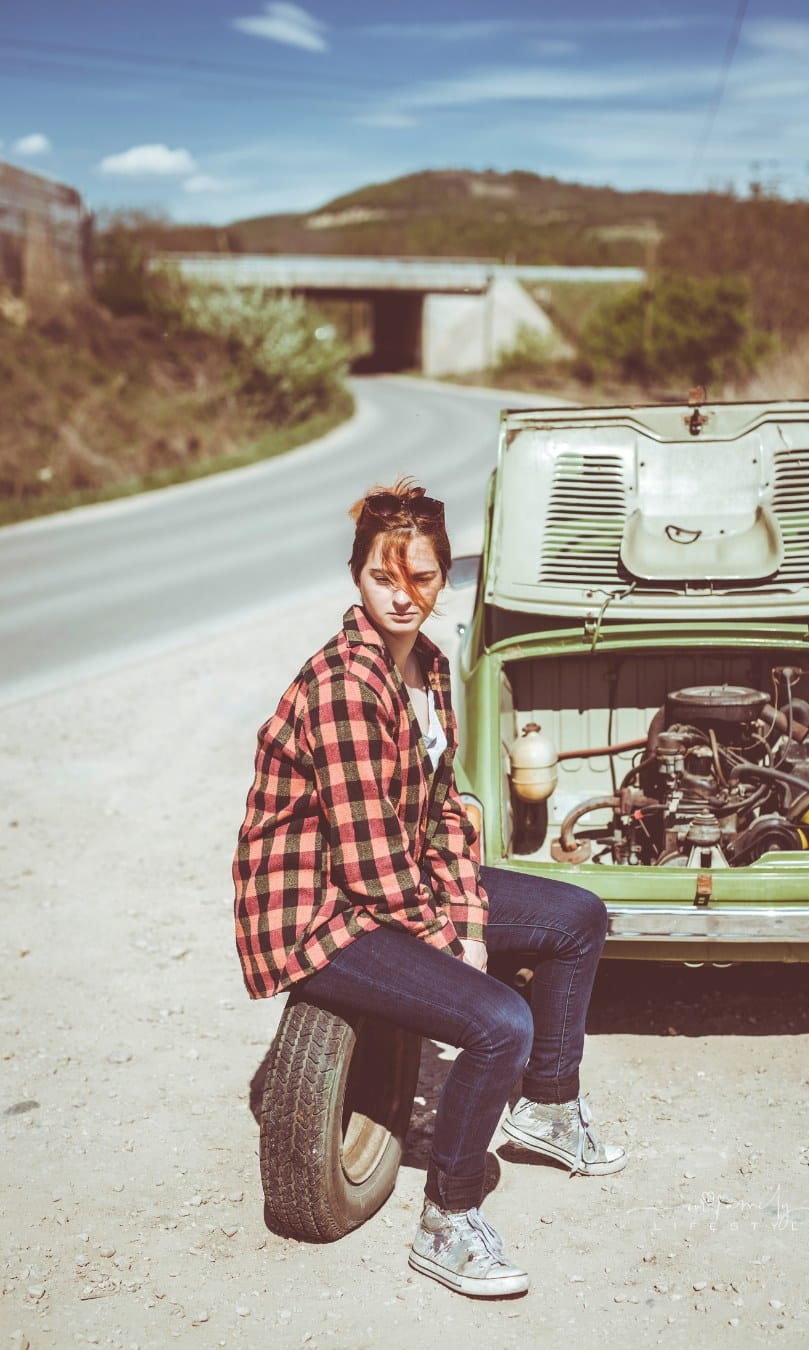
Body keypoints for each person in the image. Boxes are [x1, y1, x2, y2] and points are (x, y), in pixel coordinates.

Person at [233, 479, 626, 1299]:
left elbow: (445, 808)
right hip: (319, 911)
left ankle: (548, 1107)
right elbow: (370, 858)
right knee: (495, 1022)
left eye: (422, 577)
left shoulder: (432, 667)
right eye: (386, 577)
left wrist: (471, 919)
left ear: (445, 577)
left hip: (394, 875)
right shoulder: (346, 683)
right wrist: (455, 946)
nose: (404, 596)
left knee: (576, 916)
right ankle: (447, 1217)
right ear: (356, 576)